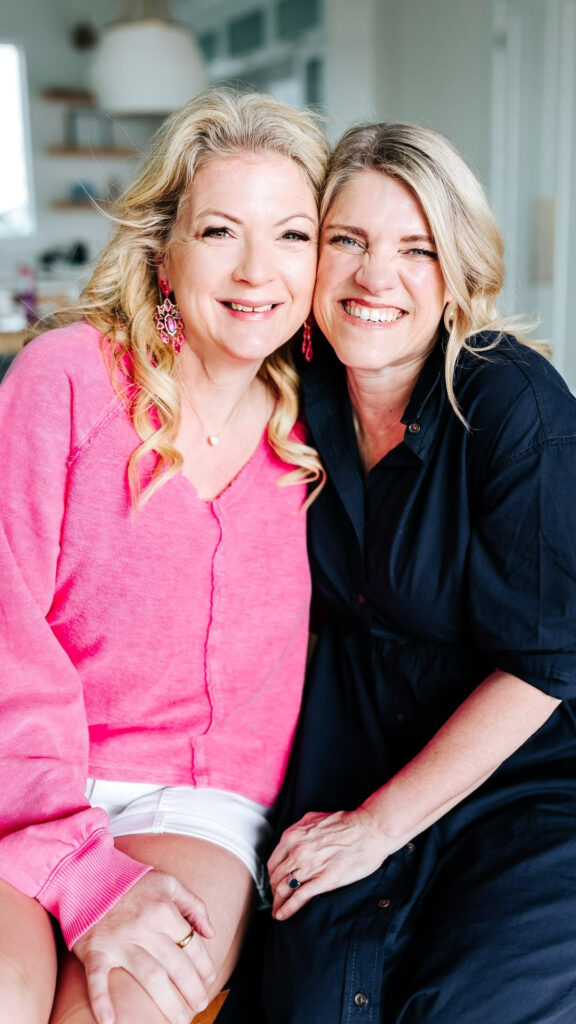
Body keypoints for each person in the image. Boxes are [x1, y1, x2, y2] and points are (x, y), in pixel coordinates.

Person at [0, 87, 329, 1024]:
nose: (257, 269)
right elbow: (5, 636)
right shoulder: (62, 380)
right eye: (221, 230)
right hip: (24, 783)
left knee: (125, 1010)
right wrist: (74, 866)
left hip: (196, 808)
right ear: (164, 249)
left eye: (293, 235)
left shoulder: (323, 433)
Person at [262, 121, 576, 1023]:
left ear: (456, 274)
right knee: (314, 1007)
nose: (374, 277)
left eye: (416, 248)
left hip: (521, 775)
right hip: (347, 757)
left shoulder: (513, 405)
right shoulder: (287, 387)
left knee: (470, 1006)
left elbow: (545, 664)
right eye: (347, 241)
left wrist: (379, 828)